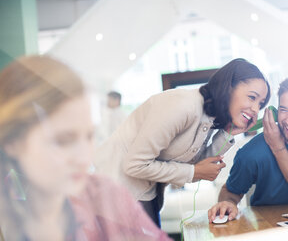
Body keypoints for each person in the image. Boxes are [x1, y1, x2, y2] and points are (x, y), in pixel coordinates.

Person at [0, 55, 171, 241]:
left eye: (89, 136)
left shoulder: (106, 195)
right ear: (12, 141)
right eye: (63, 141)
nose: (84, 158)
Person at [95, 58, 271, 227]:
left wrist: (227, 133)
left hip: (144, 190)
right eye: (252, 97)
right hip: (116, 190)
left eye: (260, 103)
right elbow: (134, 164)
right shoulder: (183, 105)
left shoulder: (208, 116)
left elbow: (197, 167)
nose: (256, 109)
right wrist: (194, 171)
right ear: (229, 87)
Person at [208, 74, 288, 223]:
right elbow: (230, 193)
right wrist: (227, 204)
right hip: (269, 226)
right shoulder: (251, 153)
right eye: (283, 110)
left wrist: (278, 147)